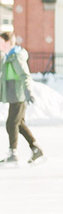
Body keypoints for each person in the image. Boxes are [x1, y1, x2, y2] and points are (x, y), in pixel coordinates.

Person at [0, 31, 44, 166]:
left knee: (11, 123)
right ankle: (36, 148)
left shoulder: (16, 56)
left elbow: (25, 75)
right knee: (19, 124)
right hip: (13, 95)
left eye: (1, 43)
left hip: (19, 95)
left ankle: (13, 153)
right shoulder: (7, 57)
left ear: (8, 42)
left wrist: (28, 92)